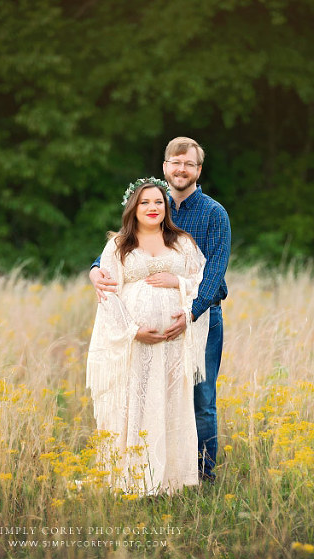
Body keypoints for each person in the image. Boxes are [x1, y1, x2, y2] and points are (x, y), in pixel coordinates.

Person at [90, 137, 231, 483]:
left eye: (189, 164)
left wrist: (191, 313)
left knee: (200, 401)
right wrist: (94, 271)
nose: (181, 169)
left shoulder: (214, 214)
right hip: (142, 337)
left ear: (198, 170)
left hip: (199, 322)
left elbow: (213, 274)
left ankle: (201, 476)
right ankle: (150, 471)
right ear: (165, 166)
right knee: (146, 399)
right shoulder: (151, 202)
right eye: (175, 162)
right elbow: (117, 249)